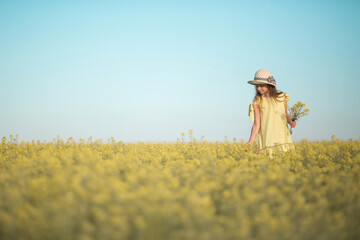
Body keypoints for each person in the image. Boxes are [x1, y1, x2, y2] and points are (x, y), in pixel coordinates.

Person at [246, 69, 296, 154]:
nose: (258, 88)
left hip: (283, 138)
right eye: (256, 86)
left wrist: (290, 121)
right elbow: (256, 124)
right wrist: (250, 143)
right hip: (267, 138)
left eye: (261, 86)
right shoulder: (257, 100)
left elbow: (285, 114)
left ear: (269, 85)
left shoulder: (281, 96)